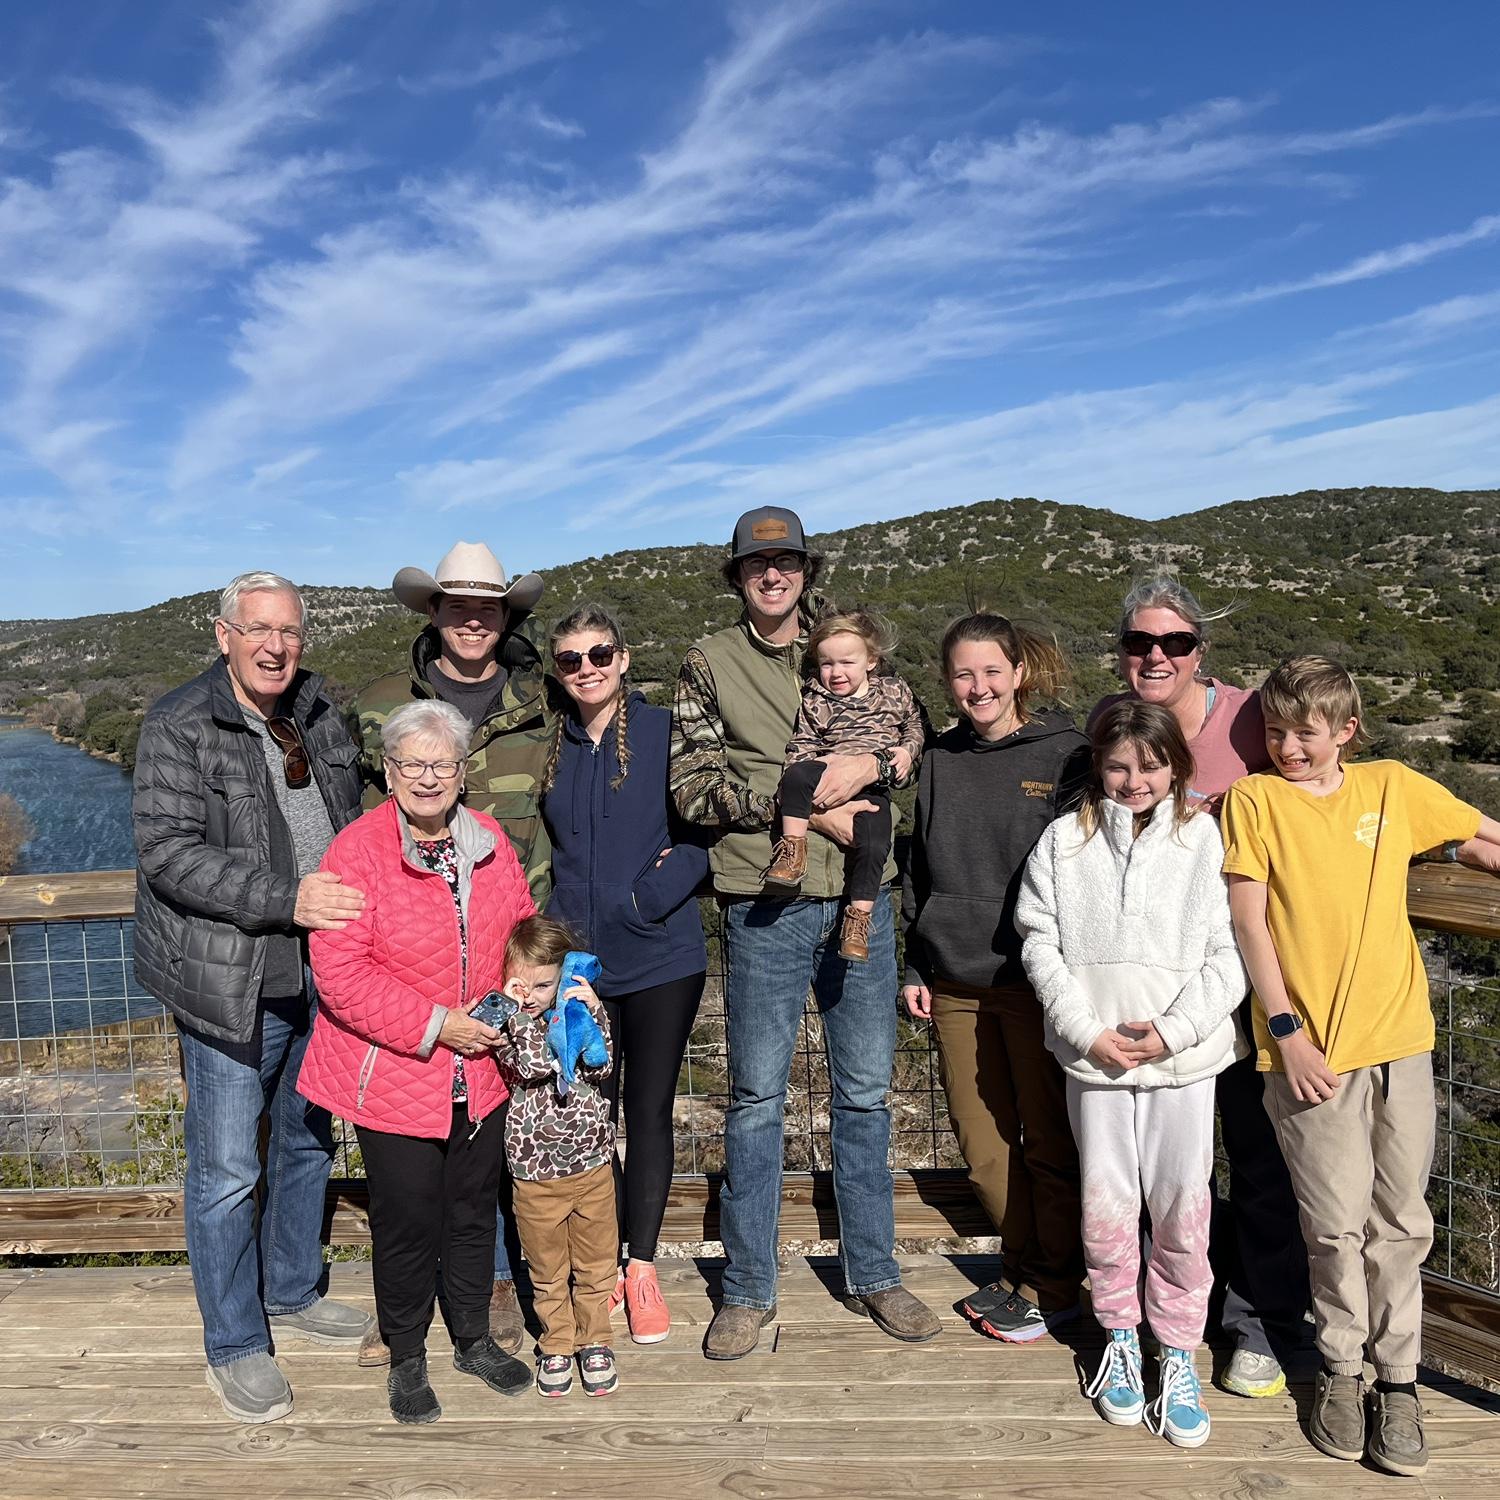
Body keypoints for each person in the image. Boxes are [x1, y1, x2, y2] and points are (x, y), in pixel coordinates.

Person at [671, 506, 942, 1358]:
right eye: (758, 565)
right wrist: (812, 804)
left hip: (866, 897)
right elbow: (692, 787)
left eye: (785, 562)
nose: (772, 575)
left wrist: (882, 763)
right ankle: (748, 1290)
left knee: (864, 1095)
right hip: (766, 903)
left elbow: (913, 735)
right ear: (739, 577)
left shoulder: (850, 652)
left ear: (805, 572)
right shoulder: (707, 663)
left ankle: (876, 1274)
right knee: (754, 1099)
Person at [1223, 657, 1500, 1477]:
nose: (1287, 747)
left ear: (1345, 731)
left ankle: (1401, 1382)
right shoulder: (1255, 800)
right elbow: (1249, 920)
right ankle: (1342, 1371)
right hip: (1307, 1052)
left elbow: (1479, 833)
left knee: (1404, 1222)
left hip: (1400, 1038)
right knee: (1334, 1224)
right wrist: (1287, 1029)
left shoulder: (1390, 786)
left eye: (1304, 733)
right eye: (1275, 731)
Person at [132, 571, 370, 1423]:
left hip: (322, 973)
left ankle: (294, 1290)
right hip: (230, 977)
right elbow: (168, 853)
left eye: (291, 632)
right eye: (259, 629)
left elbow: (354, 810)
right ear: (223, 633)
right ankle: (235, 1342)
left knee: (306, 1142)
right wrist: (288, 897)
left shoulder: (315, 708)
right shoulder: (178, 723)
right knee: (229, 1168)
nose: (276, 646)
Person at [1092, 575, 1306, 1400]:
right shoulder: (1113, 726)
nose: (1156, 656)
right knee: (1162, 1169)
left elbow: (1324, 783)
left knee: (1256, 1157)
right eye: (1141, 643)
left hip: (1249, 975)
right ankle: (1167, 1316)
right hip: (1150, 986)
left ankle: (1255, 1324)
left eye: (1174, 643)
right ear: (1121, 653)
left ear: (1199, 652)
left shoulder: (1250, 718)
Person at [1016, 701, 1248, 1449]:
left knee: (1183, 1206)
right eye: (1117, 765)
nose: (1133, 779)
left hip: (1184, 1062)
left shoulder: (1203, 840)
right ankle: (1120, 1336)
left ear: (1175, 765)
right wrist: (1088, 1032)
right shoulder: (1063, 841)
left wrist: (1174, 1032)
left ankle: (1176, 1349)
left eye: (1149, 766)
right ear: (1098, 765)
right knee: (1107, 1203)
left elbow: (1229, 953)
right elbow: (1038, 942)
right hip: (1096, 1059)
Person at [297, 701, 536, 1424]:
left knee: (470, 1213)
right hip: (397, 1074)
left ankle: (470, 1338)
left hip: (481, 1069)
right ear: (391, 772)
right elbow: (342, 975)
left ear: (464, 773)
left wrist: (499, 1016)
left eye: (443, 764)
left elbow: (520, 935)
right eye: (412, 764)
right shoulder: (356, 851)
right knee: (405, 1222)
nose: (428, 778)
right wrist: (441, 1027)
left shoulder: (490, 840)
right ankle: (406, 1354)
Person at [353, 541, 547, 1359]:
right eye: (457, 604)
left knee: (489, 1141)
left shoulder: (543, 703)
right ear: (431, 611)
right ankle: (403, 1310)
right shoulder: (379, 704)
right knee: (407, 1160)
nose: (474, 618)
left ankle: (487, 1293)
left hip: (511, 942)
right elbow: (354, 824)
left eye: (489, 606)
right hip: (404, 959)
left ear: (506, 618)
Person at [901, 610, 1088, 1343]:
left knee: (1048, 1142)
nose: (977, 687)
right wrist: (916, 959)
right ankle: (1025, 1268)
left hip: (1037, 983)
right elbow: (916, 869)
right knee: (983, 1148)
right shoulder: (940, 759)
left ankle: (1051, 1283)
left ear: (1019, 674)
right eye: (962, 674)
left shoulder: (1069, 754)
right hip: (954, 980)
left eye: (990, 672)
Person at [540, 603, 708, 1345]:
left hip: (663, 957)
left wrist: (646, 900)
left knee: (646, 1111)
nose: (587, 669)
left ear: (624, 658)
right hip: (582, 967)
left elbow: (708, 835)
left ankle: (640, 1271)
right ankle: (597, 1271)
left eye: (598, 654)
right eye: (571, 659)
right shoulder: (550, 745)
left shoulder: (669, 733)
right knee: (585, 1117)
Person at [492, 916, 619, 1398]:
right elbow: (535, 1064)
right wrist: (519, 1012)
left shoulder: (584, 1015)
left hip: (591, 1167)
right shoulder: (510, 1025)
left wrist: (590, 1010)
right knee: (547, 1271)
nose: (533, 994)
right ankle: (558, 1342)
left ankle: (596, 1340)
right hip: (536, 1175)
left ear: (567, 976)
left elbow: (601, 1063)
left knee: (595, 1265)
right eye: (523, 984)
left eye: (546, 984)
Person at [762, 610, 925, 962]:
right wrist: (803, 774)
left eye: (847, 662)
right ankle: (792, 850)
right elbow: (802, 741)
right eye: (827, 664)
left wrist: (906, 753)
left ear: (872, 661)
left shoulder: (894, 692)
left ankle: (859, 919)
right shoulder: (816, 698)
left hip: (872, 786)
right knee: (796, 775)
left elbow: (915, 726)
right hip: (827, 770)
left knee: (877, 836)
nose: (836, 673)